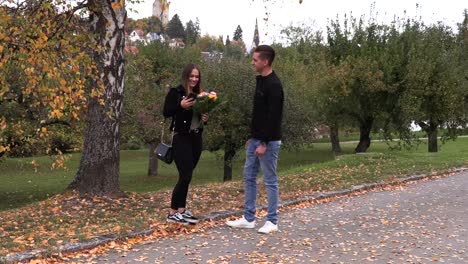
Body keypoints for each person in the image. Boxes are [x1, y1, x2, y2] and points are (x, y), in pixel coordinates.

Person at [226, 45, 284, 234]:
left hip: (268, 141)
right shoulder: (260, 81)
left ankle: (272, 221)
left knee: (270, 180)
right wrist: (252, 138)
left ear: (265, 61)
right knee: (249, 176)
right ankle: (249, 218)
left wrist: (264, 143)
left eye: (255, 60)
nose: (252, 62)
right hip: (256, 139)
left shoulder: (274, 85)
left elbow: (274, 117)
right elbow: (258, 114)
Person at [163, 63, 209, 225]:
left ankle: (181, 210)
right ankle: (172, 212)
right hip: (181, 138)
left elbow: (198, 118)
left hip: (196, 138)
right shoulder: (177, 92)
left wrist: (205, 118)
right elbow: (166, 112)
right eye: (192, 76)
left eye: (197, 76)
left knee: (187, 176)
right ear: (186, 76)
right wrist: (180, 106)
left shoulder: (201, 96)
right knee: (185, 175)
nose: (194, 79)